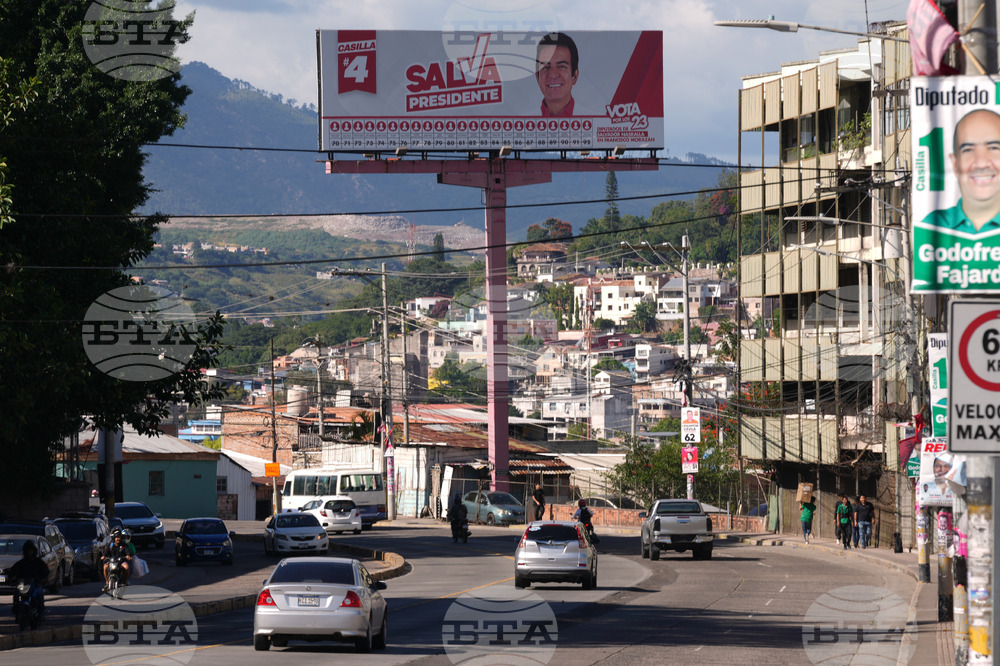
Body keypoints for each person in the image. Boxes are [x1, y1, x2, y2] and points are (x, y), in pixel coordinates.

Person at [922, 109, 1000, 233]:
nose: (981, 163)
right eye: (968, 150)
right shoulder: (933, 226)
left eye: (993, 148)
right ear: (955, 163)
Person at [536, 32, 578, 117]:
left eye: (561, 66)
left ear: (574, 76)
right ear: (537, 76)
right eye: (545, 67)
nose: (552, 74)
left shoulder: (599, 122)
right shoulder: (518, 123)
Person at [10, 540, 48, 614]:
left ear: (34, 551)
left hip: (36, 584)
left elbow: (45, 571)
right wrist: (11, 578)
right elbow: (13, 571)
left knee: (39, 593)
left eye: (30, 550)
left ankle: (41, 611)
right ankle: (16, 608)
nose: (29, 552)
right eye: (27, 550)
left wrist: (42, 579)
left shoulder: (38, 562)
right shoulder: (21, 563)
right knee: (16, 593)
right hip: (23, 584)